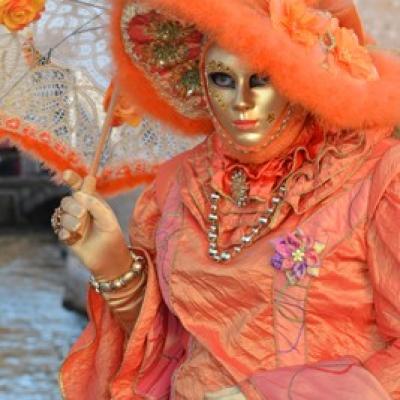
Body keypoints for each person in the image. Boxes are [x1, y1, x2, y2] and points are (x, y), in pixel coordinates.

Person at [53, 0, 400, 398]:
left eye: (261, 79)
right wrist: (112, 263)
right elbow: (165, 347)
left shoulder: (375, 179)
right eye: (222, 78)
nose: (241, 102)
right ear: (201, 78)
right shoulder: (179, 184)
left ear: (300, 80)